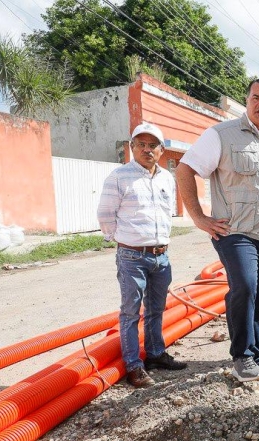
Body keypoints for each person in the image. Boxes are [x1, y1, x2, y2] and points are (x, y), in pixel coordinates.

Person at [176, 78, 259, 383]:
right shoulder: (222, 135)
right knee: (245, 285)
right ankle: (242, 357)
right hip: (234, 232)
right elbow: (184, 170)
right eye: (256, 97)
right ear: (246, 101)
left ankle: (257, 356)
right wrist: (199, 217)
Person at [97, 123, 188, 388]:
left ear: (161, 150)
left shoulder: (166, 178)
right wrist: (124, 241)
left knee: (157, 309)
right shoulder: (119, 177)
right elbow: (105, 215)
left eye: (153, 145)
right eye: (142, 144)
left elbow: (168, 211)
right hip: (132, 257)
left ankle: (156, 355)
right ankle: (134, 366)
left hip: (162, 256)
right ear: (133, 147)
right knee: (130, 312)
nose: (147, 150)